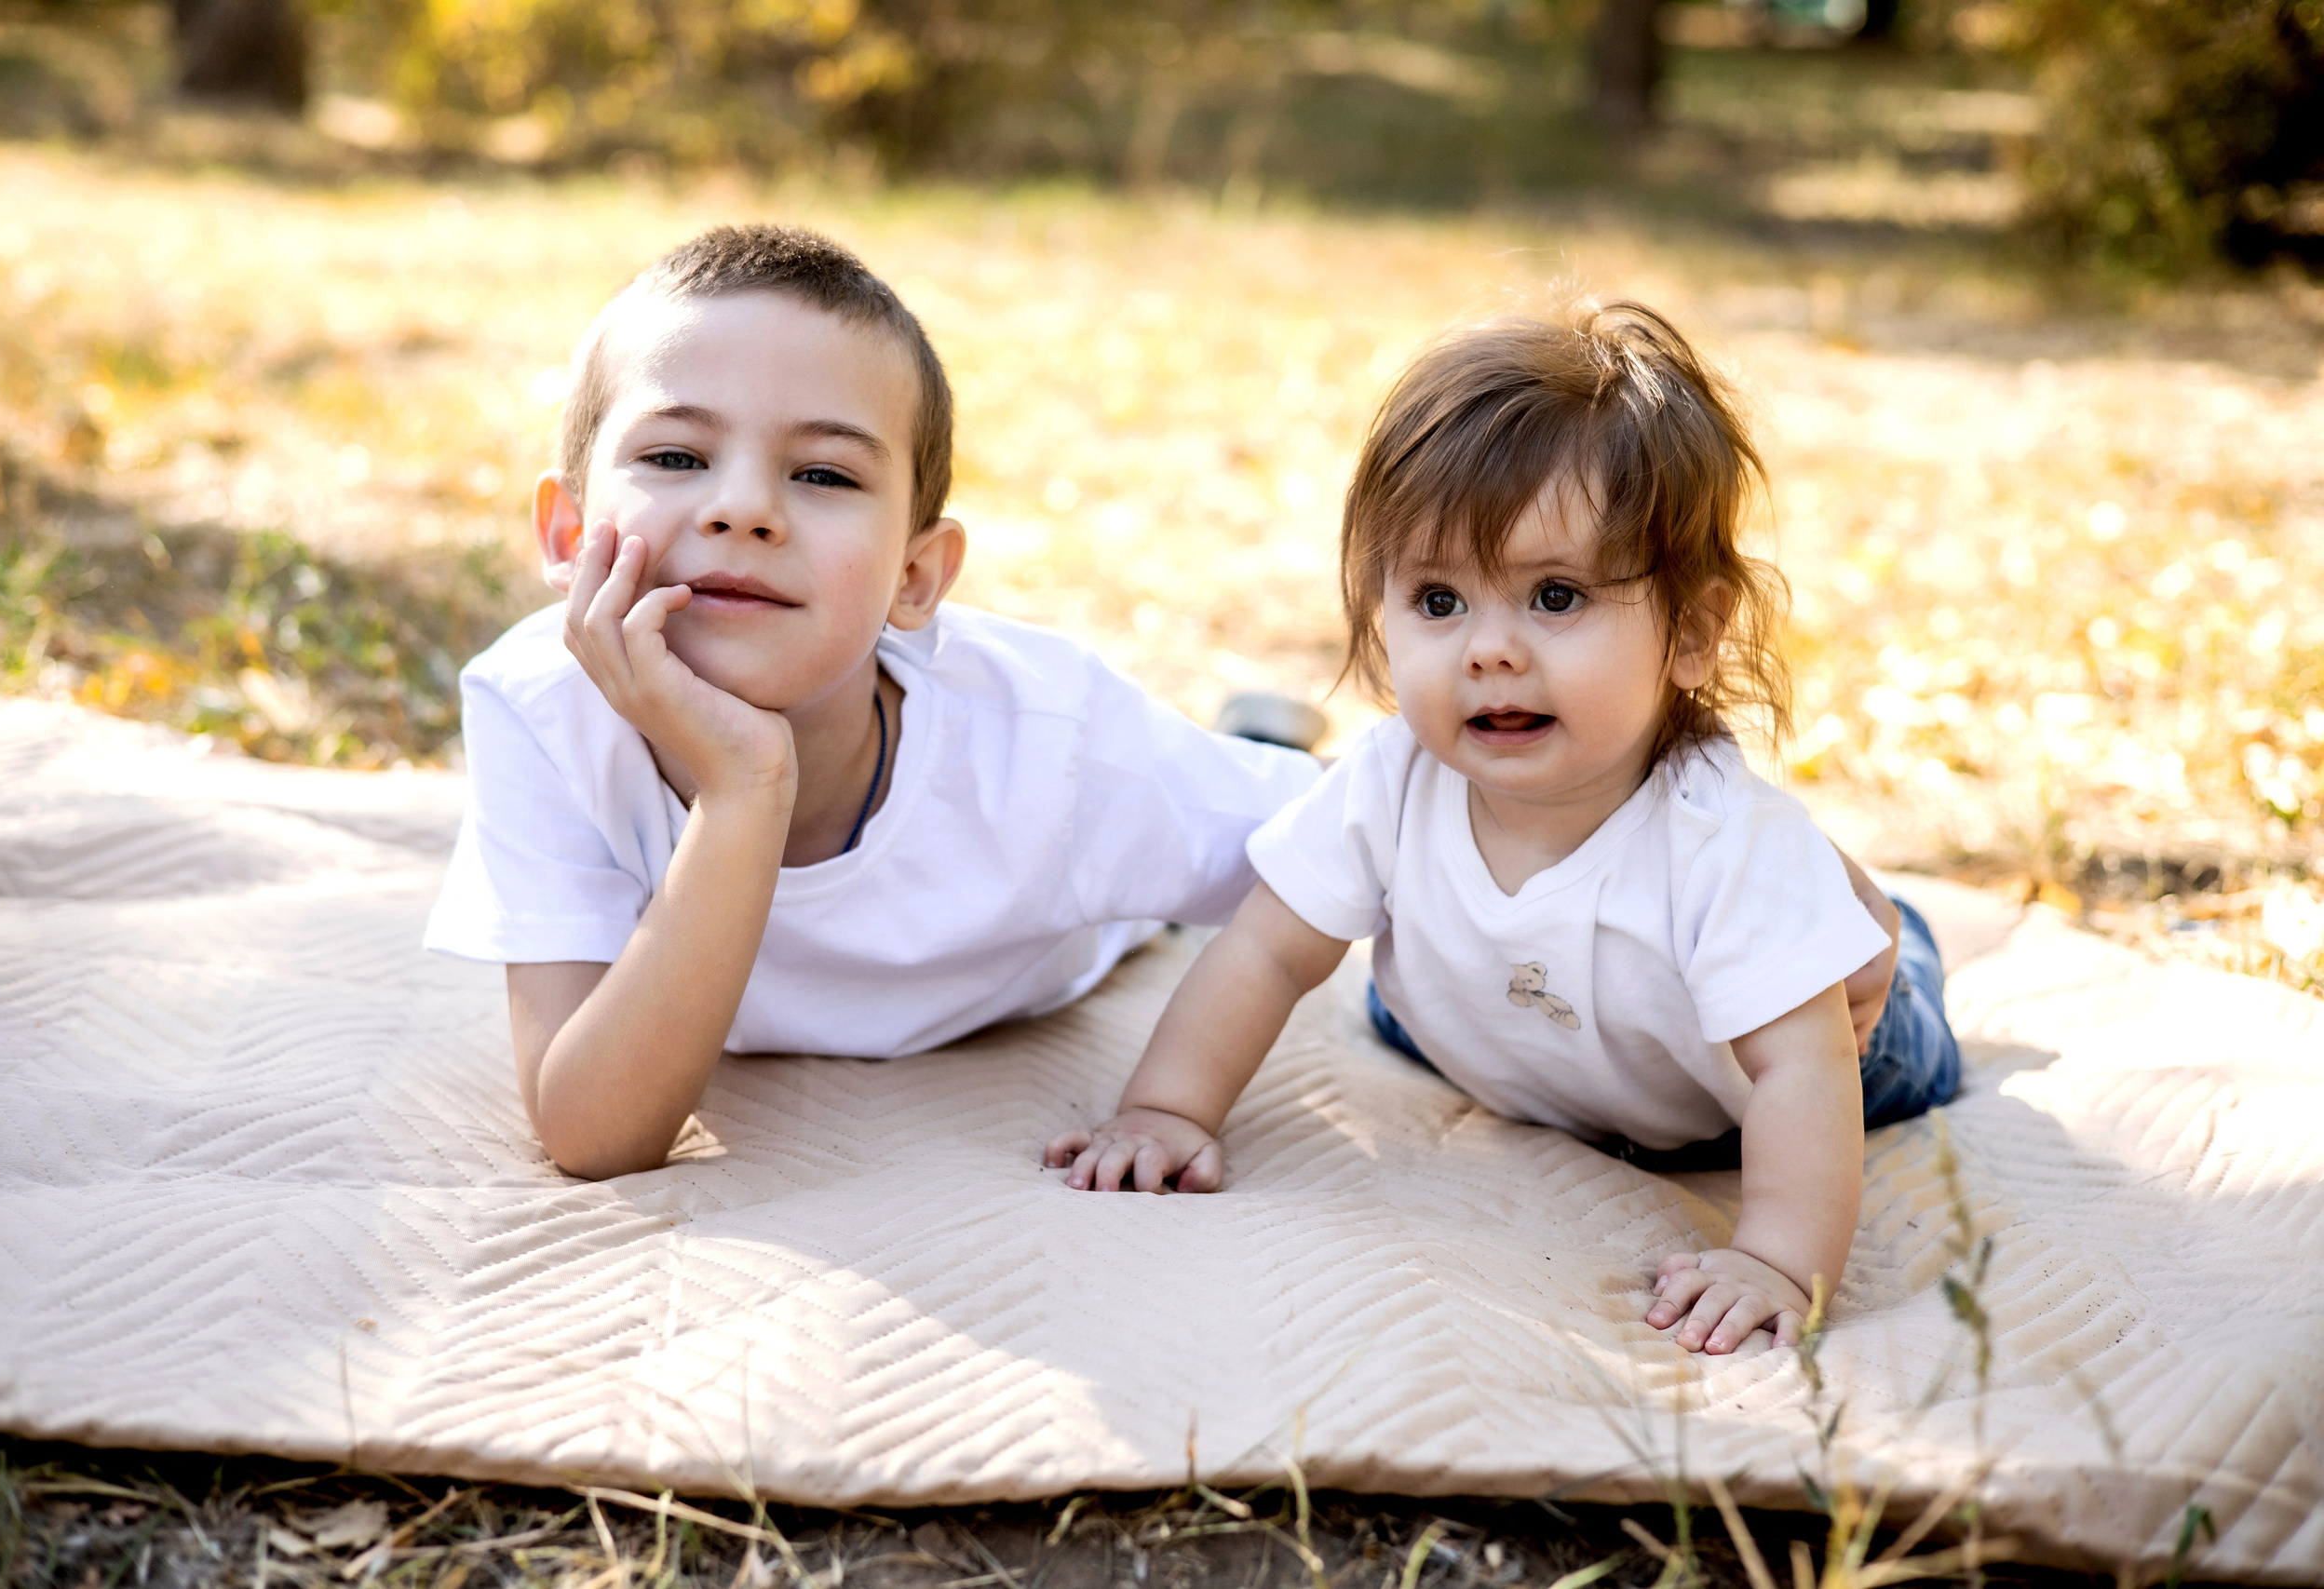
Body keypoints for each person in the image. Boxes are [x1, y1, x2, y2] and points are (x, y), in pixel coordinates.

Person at [1045, 303, 1961, 1357]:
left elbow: (1804, 1075)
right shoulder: (1393, 779)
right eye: (1438, 601)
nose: (1489, 650)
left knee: (1852, 996)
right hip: (1493, 1028)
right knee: (1391, 986)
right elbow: (1261, 949)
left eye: (1555, 596)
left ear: (1696, 633)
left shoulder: (1718, 845)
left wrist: (1773, 1260)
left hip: (1761, 1081)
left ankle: (1884, 926)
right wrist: (1168, 1109)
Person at [424, 223, 1326, 1179]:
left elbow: (1359, 840)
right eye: (678, 457)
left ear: (915, 577)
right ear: (568, 533)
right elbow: (594, 1133)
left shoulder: (1052, 750)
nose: (742, 509)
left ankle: (1252, 735)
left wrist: (1172, 1099)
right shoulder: (539, 706)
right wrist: (745, 788)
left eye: (822, 474)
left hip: (1082, 916)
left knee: (1247, 826)